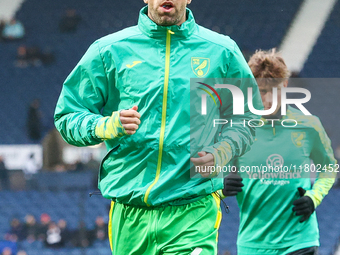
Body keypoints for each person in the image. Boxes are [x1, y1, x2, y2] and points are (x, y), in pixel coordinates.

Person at [54, 0, 262, 254]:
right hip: (130, 212)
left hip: (193, 207)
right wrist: (106, 126)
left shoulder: (221, 51)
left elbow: (249, 115)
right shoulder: (109, 50)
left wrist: (223, 151)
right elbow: (67, 115)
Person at [223, 49, 337, 255]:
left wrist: (314, 197)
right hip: (253, 244)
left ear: (284, 85)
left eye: (268, 91)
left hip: (299, 241)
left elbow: (329, 168)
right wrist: (220, 183)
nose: (262, 99)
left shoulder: (308, 125)